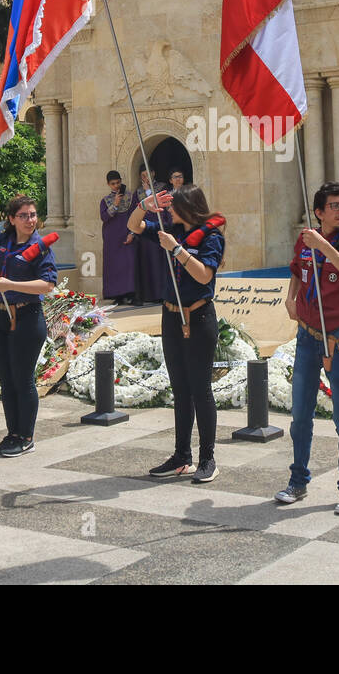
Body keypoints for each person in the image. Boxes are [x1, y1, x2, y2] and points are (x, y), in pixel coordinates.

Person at [276, 182, 339, 515]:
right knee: (300, 414)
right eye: (335, 206)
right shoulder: (306, 240)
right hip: (307, 337)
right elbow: (298, 272)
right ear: (319, 212)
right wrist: (290, 297)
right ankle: (298, 481)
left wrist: (325, 248)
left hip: (338, 340)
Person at [128, 183, 225, 483]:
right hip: (170, 316)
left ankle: (208, 458)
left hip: (198, 316)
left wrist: (177, 250)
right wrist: (145, 205)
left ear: (188, 207)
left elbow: (204, 274)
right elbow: (134, 225)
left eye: (173, 205)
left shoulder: (210, 236)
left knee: (200, 390)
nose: (169, 210)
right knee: (180, 390)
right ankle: (182, 456)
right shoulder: (172, 230)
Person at [0, 195, 57, 457]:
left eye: (32, 215)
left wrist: (11, 285)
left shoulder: (40, 246)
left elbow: (47, 285)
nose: (30, 220)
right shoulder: (5, 239)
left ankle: (26, 436)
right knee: (6, 380)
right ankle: (12, 434)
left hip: (27, 317)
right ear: (11, 219)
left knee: (23, 379)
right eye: (23, 215)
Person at [132, 168, 168, 306]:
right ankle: (149, 295)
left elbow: (162, 203)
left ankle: (162, 293)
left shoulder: (162, 187)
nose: (146, 177)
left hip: (159, 227)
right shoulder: (138, 192)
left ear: (153, 173)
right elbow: (134, 211)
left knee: (160, 263)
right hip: (144, 230)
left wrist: (149, 191)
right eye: (143, 175)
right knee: (147, 264)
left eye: (148, 174)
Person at [100, 171, 136, 306]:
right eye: (113, 184)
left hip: (127, 235)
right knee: (114, 266)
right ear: (108, 184)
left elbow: (135, 215)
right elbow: (104, 217)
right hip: (112, 238)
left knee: (129, 264)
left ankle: (131, 294)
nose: (116, 186)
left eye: (118, 183)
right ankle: (117, 295)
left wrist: (132, 233)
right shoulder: (105, 200)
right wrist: (115, 204)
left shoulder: (131, 197)